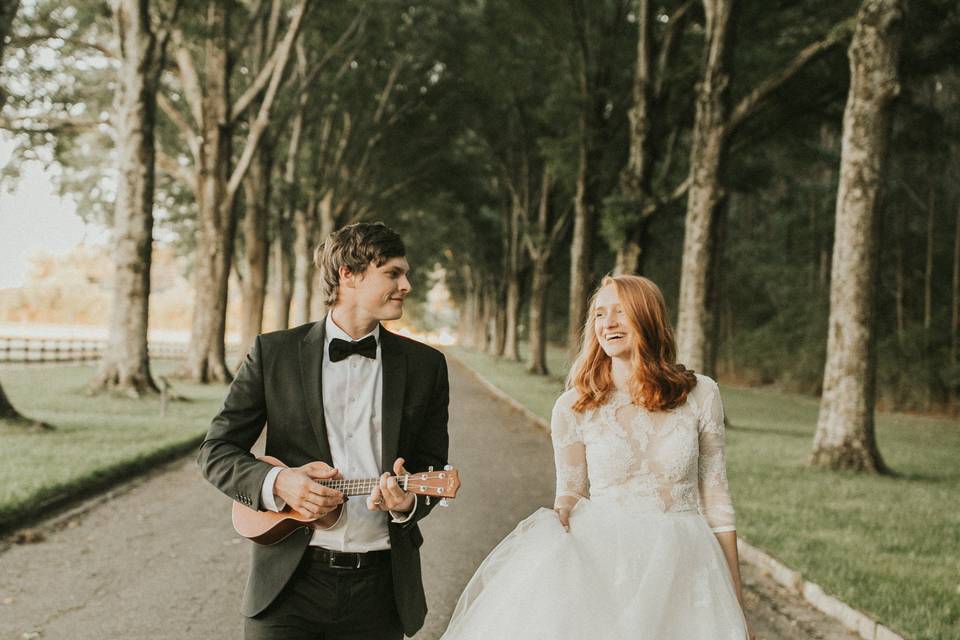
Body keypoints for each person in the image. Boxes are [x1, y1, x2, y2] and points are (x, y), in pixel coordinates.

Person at [441, 274, 754, 640]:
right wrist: (560, 523)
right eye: (600, 314)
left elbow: (717, 502)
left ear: (648, 318)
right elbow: (570, 492)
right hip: (607, 567)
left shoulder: (702, 394)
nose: (609, 323)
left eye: (621, 311)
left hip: (686, 565)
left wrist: (735, 600)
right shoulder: (573, 406)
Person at [198, 222, 450, 640]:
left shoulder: (427, 366)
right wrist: (279, 483)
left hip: (381, 591)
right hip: (286, 587)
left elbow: (431, 466)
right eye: (393, 273)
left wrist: (407, 504)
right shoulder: (273, 352)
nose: (406, 285)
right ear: (348, 275)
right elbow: (216, 450)